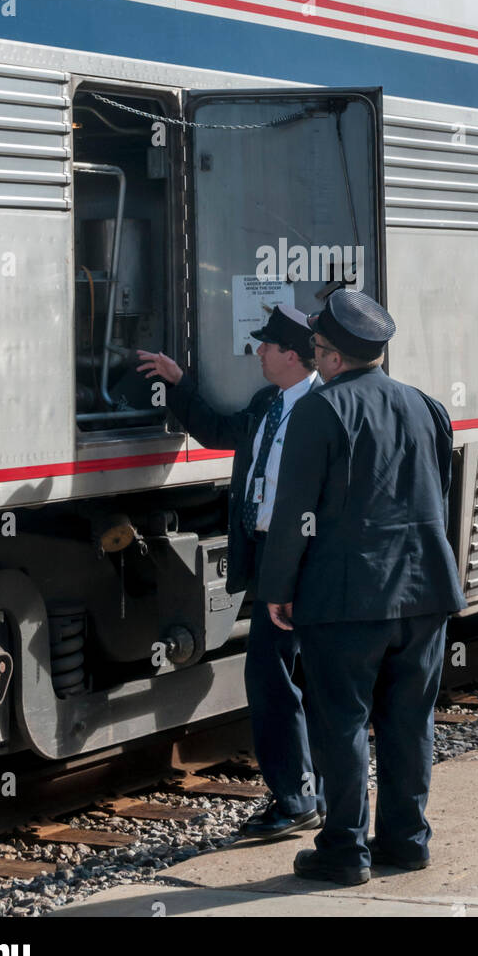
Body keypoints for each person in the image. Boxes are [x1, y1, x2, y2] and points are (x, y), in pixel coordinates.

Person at [259, 289, 466, 886]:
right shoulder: (425, 406)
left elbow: (296, 510)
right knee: (409, 720)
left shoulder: (320, 411)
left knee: (341, 721)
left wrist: (279, 587)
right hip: (426, 591)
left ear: (332, 355)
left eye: (318, 348)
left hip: (347, 599)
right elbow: (438, 497)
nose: (316, 357)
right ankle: (407, 840)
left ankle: (345, 851)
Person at [136, 305, 324, 841]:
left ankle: (297, 798)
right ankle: (310, 792)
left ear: (292, 355)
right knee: (284, 677)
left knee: (277, 678)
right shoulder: (270, 404)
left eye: (267, 345)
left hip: (304, 562)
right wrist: (180, 384)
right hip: (269, 559)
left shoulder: (325, 407)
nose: (258, 352)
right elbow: (221, 432)